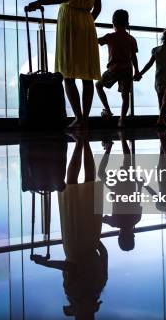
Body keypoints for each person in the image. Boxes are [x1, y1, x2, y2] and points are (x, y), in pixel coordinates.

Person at [26, 0, 102, 129]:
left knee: (68, 73)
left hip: (69, 20)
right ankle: (85, 117)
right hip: (87, 21)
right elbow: (98, 7)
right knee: (86, 74)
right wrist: (87, 21)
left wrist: (38, 2)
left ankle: (78, 118)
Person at [31, 131, 107, 319]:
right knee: (70, 186)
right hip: (75, 243)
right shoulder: (77, 293)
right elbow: (70, 267)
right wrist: (46, 263)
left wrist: (95, 239)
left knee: (89, 182)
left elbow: (104, 255)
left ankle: (84, 141)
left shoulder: (99, 286)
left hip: (91, 238)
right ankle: (81, 141)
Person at [95, 9, 141, 128]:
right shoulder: (131, 39)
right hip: (127, 69)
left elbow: (96, 41)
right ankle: (122, 120)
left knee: (98, 85)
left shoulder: (110, 36)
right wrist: (137, 70)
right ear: (127, 23)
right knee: (125, 96)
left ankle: (108, 110)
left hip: (113, 69)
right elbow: (133, 57)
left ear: (113, 23)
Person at [99, 132, 141, 251]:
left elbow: (137, 199)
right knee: (101, 173)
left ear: (132, 236)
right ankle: (109, 147)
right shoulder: (114, 222)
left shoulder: (136, 219)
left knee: (127, 161)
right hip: (117, 189)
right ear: (120, 236)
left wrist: (140, 185)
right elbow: (100, 218)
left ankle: (122, 138)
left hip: (129, 187)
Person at [137, 27, 166, 127]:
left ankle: (163, 119)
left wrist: (140, 73)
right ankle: (161, 119)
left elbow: (149, 64)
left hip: (159, 78)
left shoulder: (156, 50)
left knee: (161, 100)